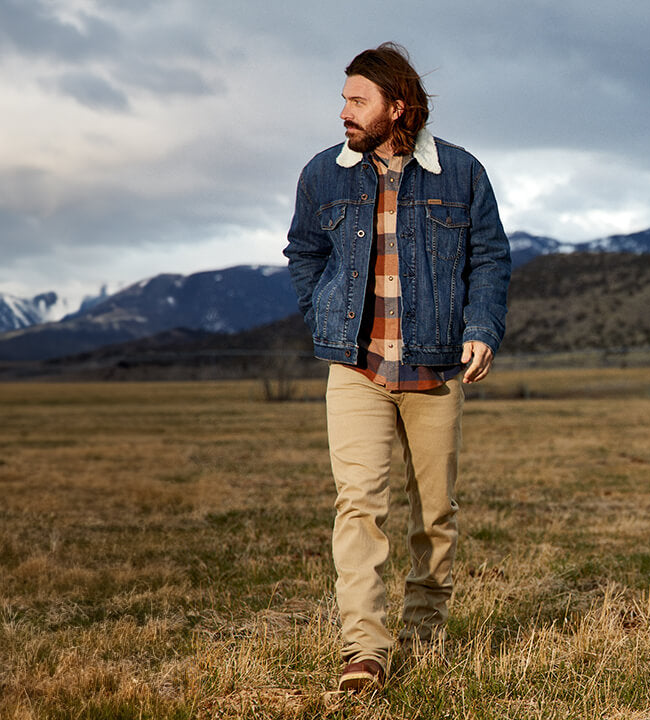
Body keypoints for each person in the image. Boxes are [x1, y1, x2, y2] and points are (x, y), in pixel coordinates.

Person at [283, 42, 511, 693]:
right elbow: (303, 251)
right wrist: (324, 311)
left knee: (434, 514)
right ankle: (365, 650)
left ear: (398, 106)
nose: (344, 112)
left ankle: (426, 627)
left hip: (435, 367)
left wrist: (481, 328)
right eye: (345, 99)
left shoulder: (461, 173)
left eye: (358, 100)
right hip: (354, 367)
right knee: (358, 504)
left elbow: (490, 258)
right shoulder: (322, 174)